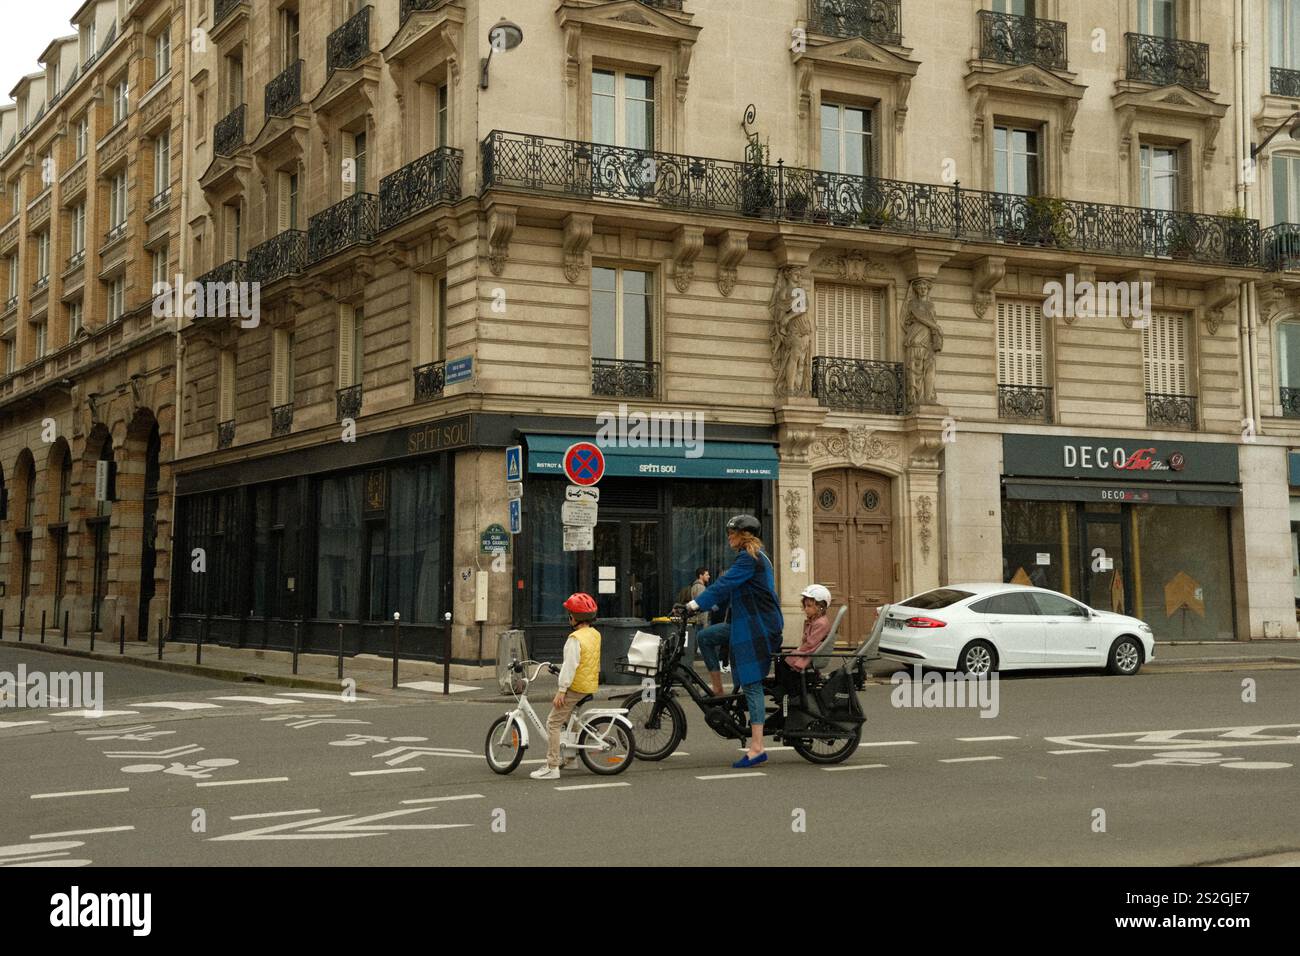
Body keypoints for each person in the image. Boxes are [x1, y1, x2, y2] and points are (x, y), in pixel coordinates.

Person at [687, 515, 784, 768]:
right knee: (706, 637)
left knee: (751, 684)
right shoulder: (750, 557)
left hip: (758, 626)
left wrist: (696, 603)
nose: (729, 536)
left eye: (732, 532)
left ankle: (757, 747)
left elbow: (726, 584)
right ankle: (718, 692)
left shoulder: (750, 558)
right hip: (744, 622)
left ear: (744, 535)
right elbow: (731, 589)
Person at [530, 592, 601, 780]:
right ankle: (570, 760)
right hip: (589, 684)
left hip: (575, 687)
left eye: (569, 613)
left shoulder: (575, 639)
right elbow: (586, 661)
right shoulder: (595, 634)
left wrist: (562, 690)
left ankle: (552, 766)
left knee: (553, 723)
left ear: (574, 617)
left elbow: (571, 666)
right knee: (570, 720)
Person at [776, 585, 832, 695]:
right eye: (805, 606)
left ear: (820, 606)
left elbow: (810, 643)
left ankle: (787, 691)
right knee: (780, 657)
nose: (806, 609)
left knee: (781, 660)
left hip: (809, 654)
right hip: (809, 652)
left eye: (809, 606)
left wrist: (798, 650)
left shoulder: (821, 623)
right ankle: (784, 688)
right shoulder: (815, 620)